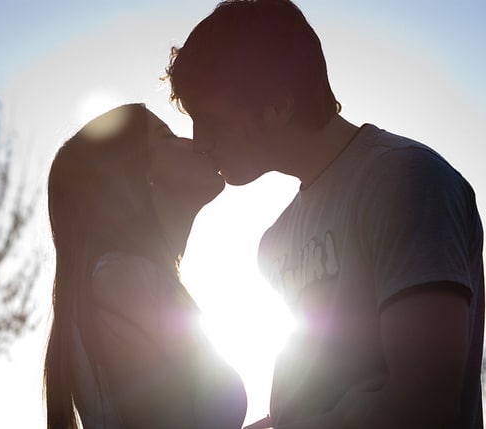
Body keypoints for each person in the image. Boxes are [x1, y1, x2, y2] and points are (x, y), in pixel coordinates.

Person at [165, 1, 484, 429]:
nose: (200, 142)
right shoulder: (274, 241)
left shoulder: (407, 180)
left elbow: (423, 403)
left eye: (210, 121)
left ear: (278, 104)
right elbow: (303, 411)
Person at [43, 103, 247, 429]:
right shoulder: (120, 281)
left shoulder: (129, 278)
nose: (192, 141)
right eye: (167, 135)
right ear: (136, 173)